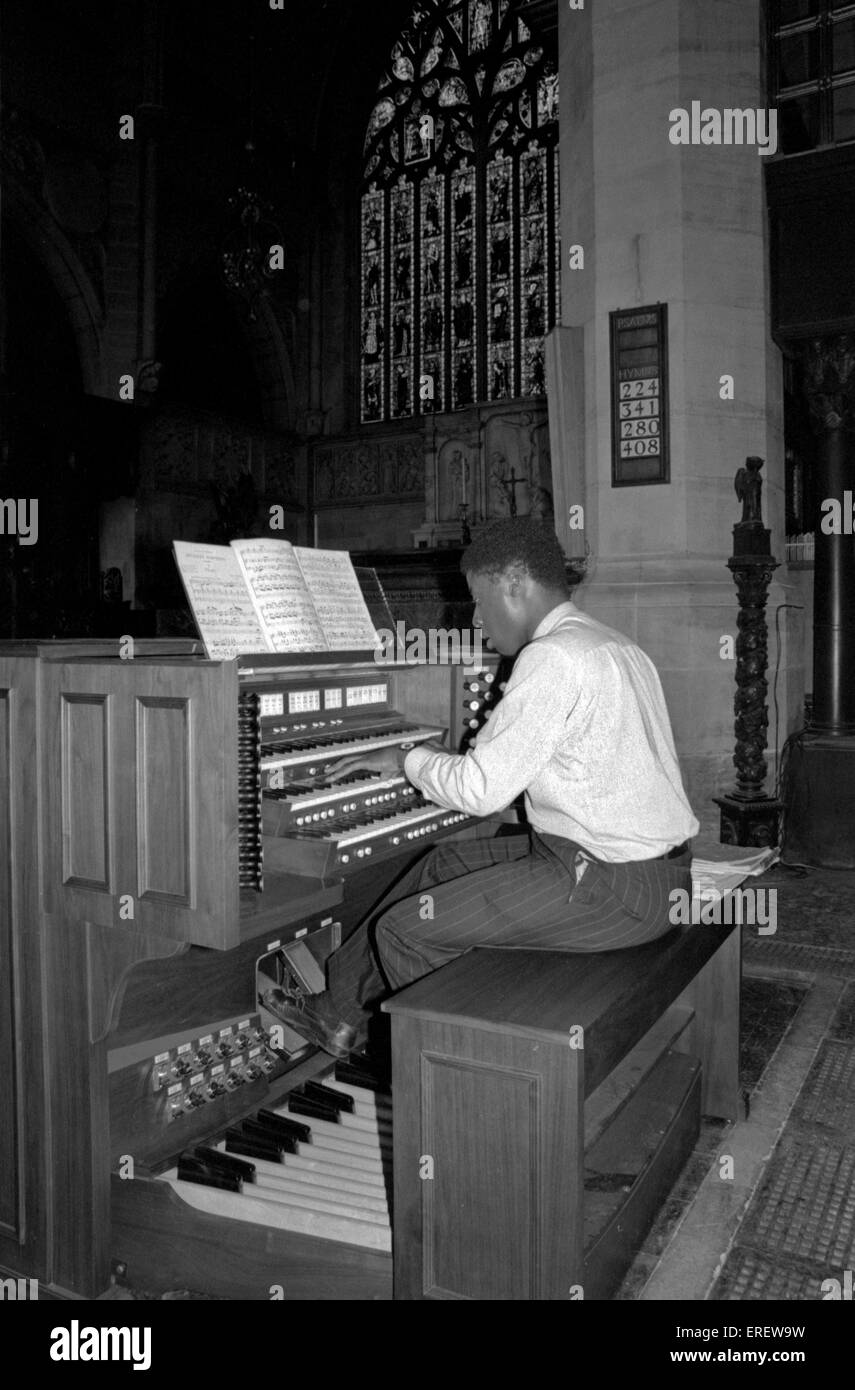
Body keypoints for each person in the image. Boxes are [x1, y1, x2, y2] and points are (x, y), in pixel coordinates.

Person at [264, 519, 699, 1057]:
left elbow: (481, 791)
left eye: (478, 598)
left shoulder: (553, 658)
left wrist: (406, 758)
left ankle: (446, 1075)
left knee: (405, 931)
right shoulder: (608, 643)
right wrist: (426, 762)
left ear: (515, 584)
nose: (474, 618)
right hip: (644, 869)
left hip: (617, 887)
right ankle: (337, 1014)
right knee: (439, 865)